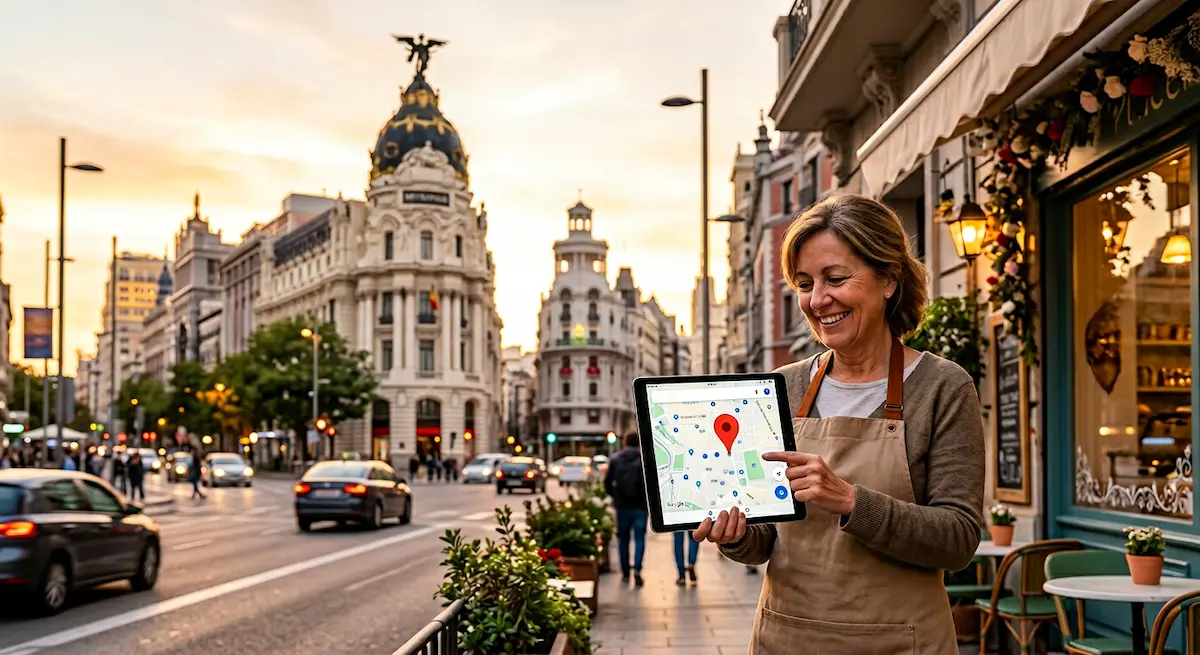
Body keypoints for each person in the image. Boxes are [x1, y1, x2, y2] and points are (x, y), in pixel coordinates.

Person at [694, 195, 985, 654]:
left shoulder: (942, 387)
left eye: (835, 278)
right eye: (805, 284)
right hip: (788, 639)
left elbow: (958, 539)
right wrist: (736, 535)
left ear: (889, 279)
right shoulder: (782, 387)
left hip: (902, 643)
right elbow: (767, 540)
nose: (817, 300)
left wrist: (850, 500)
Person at [604, 431, 648, 587]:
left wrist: (615, 497)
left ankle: (625, 571)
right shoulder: (644, 459)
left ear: (624, 442)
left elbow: (607, 483)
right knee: (639, 539)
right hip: (641, 507)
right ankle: (637, 568)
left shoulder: (616, 459)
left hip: (622, 506)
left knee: (623, 539)